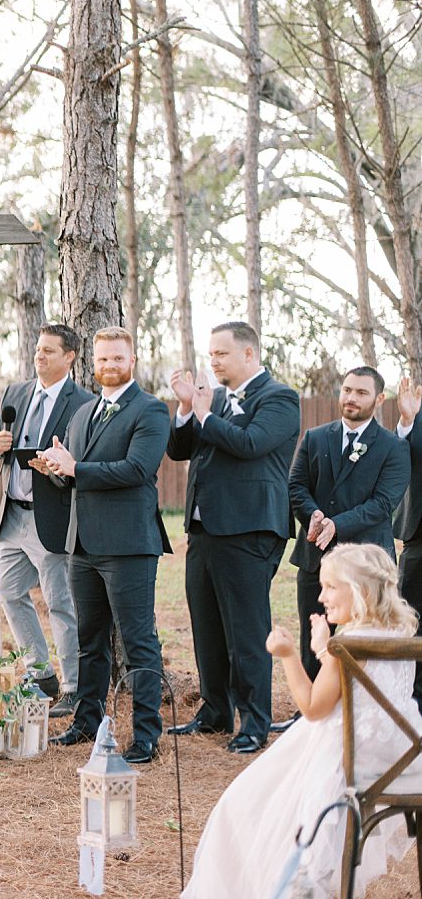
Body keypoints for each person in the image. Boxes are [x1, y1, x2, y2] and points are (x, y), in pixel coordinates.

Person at [181, 544, 422, 898]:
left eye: (331, 587)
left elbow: (313, 707)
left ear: (362, 592)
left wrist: (289, 655)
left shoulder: (349, 643)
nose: (321, 596)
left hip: (347, 759)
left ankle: (276, 884)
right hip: (401, 760)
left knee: (242, 803)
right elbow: (362, 684)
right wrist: (326, 652)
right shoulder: (399, 637)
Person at [38, 326, 171, 764]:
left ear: (131, 360)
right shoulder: (83, 414)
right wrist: (55, 468)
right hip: (83, 544)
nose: (109, 366)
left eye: (117, 358)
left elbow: (137, 469)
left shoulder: (150, 410)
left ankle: (147, 735)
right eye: (102, 360)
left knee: (138, 642)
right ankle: (86, 721)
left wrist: (76, 468)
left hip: (129, 545)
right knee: (89, 640)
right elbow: (74, 474)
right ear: (91, 365)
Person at [165, 321, 300, 754]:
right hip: (203, 527)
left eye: (221, 353)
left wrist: (204, 414)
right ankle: (215, 710)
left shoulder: (280, 398)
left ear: (248, 354)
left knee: (247, 629)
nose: (213, 361)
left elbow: (249, 443)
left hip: (250, 528)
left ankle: (255, 722)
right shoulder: (214, 399)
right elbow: (179, 449)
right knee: (206, 624)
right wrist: (187, 410)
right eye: (211, 354)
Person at [0, 323, 92, 717]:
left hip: (53, 517)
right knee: (9, 592)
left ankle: (75, 688)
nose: (39, 355)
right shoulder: (16, 392)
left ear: (69, 357)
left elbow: (84, 459)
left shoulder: (83, 403)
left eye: (48, 350)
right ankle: (41, 675)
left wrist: (58, 469)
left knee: (61, 604)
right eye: (37, 348)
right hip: (12, 516)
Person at [288, 366, 410, 681]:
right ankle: (312, 713)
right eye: (347, 390)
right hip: (316, 555)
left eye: (361, 392)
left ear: (379, 399)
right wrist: (313, 514)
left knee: (370, 640)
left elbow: (383, 504)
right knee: (314, 635)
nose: (351, 398)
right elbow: (296, 486)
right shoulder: (315, 437)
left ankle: (364, 709)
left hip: (368, 561)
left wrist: (336, 525)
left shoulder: (393, 447)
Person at [392, 375, 422, 706]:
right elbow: (400, 455)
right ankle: (416, 704)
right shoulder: (415, 413)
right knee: (414, 620)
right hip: (419, 539)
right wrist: (407, 421)